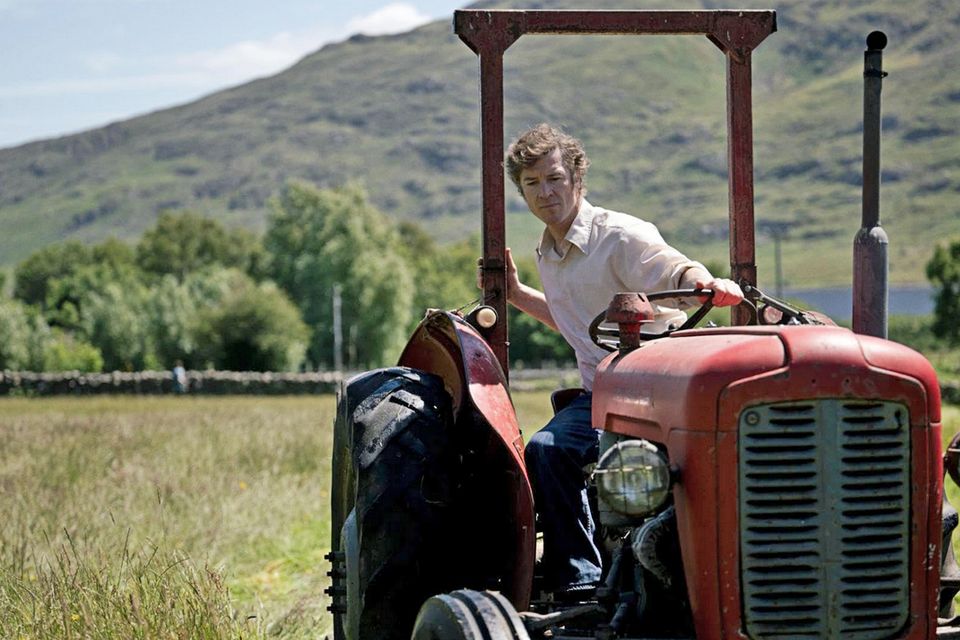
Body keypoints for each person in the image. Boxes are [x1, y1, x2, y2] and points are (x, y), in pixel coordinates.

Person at [482, 123, 743, 596]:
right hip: (599, 394)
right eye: (532, 184)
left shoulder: (619, 236)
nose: (546, 193)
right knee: (547, 450)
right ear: (521, 193)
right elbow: (574, 321)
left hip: (657, 393)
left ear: (577, 178)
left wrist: (706, 282)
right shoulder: (548, 251)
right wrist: (518, 295)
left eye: (554, 178)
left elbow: (671, 266)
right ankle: (580, 580)